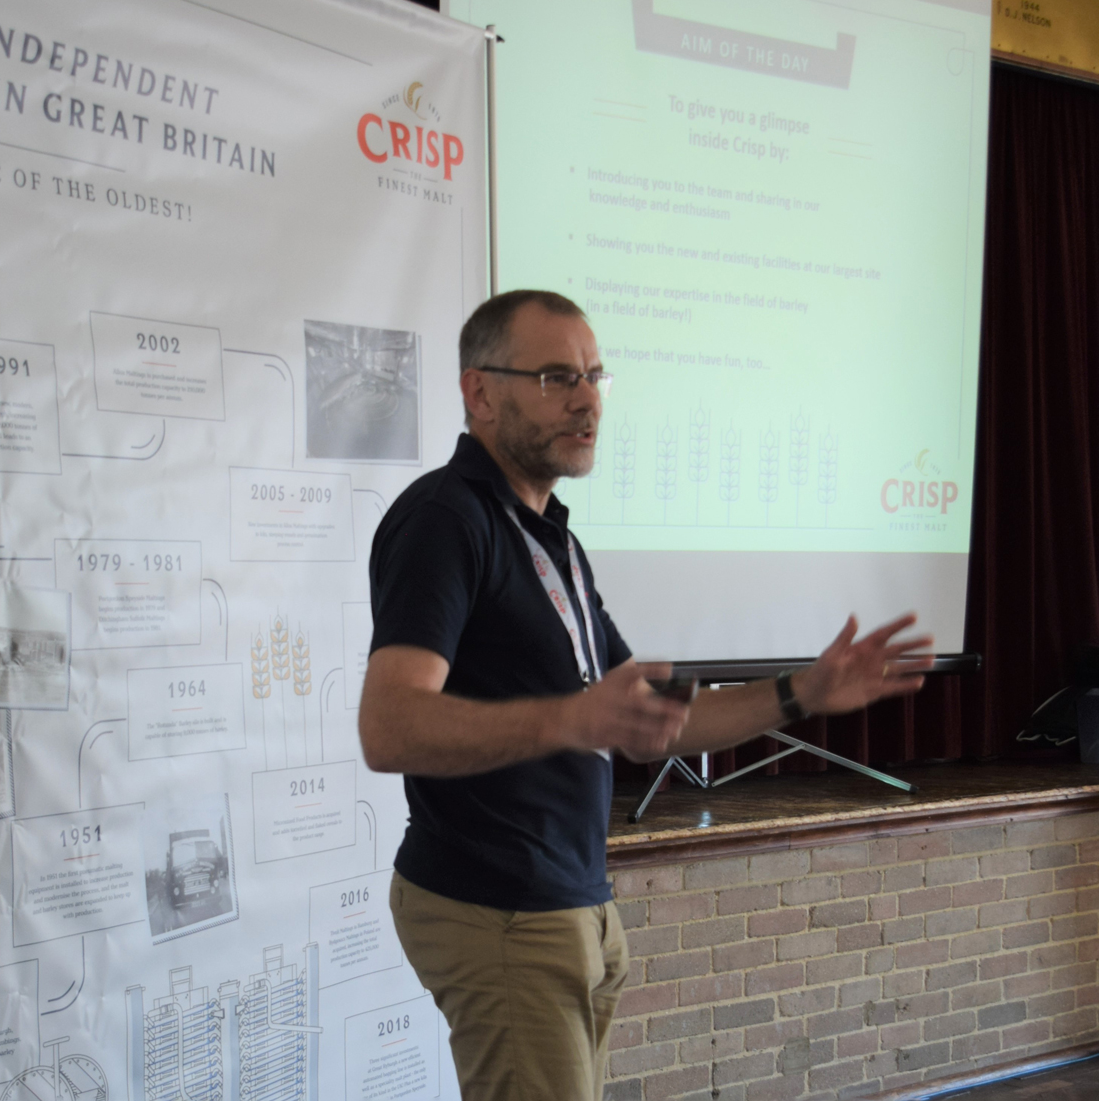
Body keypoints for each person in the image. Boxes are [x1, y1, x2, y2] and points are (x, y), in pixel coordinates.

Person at [358, 289, 933, 1101]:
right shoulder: (446, 522)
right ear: (480, 391)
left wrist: (802, 691)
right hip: (498, 906)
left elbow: (656, 724)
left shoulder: (553, 536)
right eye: (558, 376)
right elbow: (390, 726)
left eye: (596, 375)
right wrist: (571, 716)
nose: (588, 398)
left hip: (571, 900)